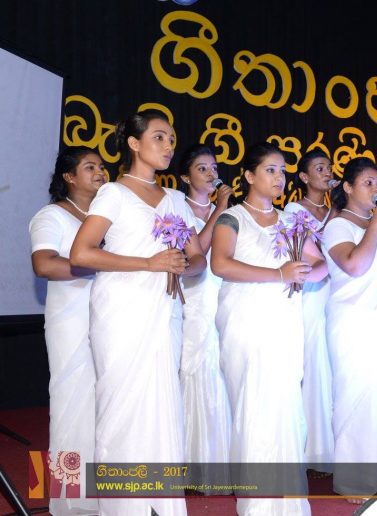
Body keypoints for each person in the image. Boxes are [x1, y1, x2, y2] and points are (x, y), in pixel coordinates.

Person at [70, 109, 206, 516]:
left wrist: (182, 263)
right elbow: (81, 254)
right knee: (122, 408)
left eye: (171, 139)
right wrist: (149, 263)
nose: (168, 146)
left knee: (162, 407)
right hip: (122, 311)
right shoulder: (113, 193)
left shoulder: (176, 200)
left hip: (164, 312)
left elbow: (199, 258)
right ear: (133, 143)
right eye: (159, 137)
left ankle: (159, 505)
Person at [211, 141, 326, 515]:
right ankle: (257, 503)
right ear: (249, 175)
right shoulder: (232, 218)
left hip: (283, 321)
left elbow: (321, 264)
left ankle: (288, 503)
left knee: (284, 408)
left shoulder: (291, 221)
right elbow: (220, 265)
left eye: (283, 172)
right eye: (270, 170)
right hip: (245, 322)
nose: (279, 178)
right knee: (253, 408)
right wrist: (279, 274)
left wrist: (304, 274)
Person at [322, 157, 377, 503]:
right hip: (354, 324)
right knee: (357, 398)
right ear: (347, 187)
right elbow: (355, 265)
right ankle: (356, 481)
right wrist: (375, 223)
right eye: (368, 183)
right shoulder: (339, 225)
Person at [29, 146, 105, 515]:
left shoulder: (107, 218)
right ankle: (69, 500)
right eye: (90, 167)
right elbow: (44, 265)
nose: (100, 172)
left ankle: (103, 494)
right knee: (72, 407)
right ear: (69, 177)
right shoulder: (51, 215)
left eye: (102, 166)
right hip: (71, 324)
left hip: (109, 321)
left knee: (104, 408)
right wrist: (104, 265)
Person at [177, 144, 232, 475]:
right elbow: (197, 248)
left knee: (223, 367)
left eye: (214, 168)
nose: (211, 174)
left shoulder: (228, 211)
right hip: (194, 295)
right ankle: (192, 460)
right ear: (186, 177)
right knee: (197, 364)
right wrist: (220, 208)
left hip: (223, 292)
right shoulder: (177, 208)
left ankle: (222, 458)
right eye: (202, 169)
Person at [284, 149, 335, 476]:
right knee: (314, 363)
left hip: (340, 291)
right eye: (319, 168)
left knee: (334, 364)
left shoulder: (337, 210)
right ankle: (314, 448)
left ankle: (338, 445)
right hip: (312, 291)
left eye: (329, 167)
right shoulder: (293, 211)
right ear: (303, 177)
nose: (327, 172)